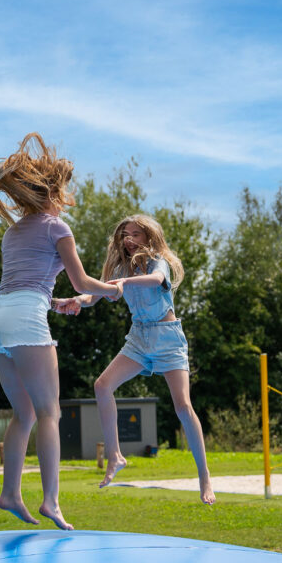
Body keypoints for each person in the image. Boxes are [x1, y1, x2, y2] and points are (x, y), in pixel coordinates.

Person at [0, 133, 123, 530]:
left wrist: (53, 302)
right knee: (49, 413)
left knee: (23, 413)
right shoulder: (57, 227)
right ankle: (52, 502)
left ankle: (9, 492)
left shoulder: (13, 232)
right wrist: (112, 290)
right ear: (53, 193)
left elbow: (28, 283)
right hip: (24, 317)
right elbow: (80, 281)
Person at [61, 214, 215, 504]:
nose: (128, 239)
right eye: (125, 235)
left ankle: (204, 476)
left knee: (183, 406)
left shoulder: (158, 262)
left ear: (148, 238)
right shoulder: (119, 268)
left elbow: (155, 280)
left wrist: (122, 281)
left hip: (167, 337)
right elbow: (94, 295)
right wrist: (76, 301)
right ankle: (115, 455)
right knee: (102, 385)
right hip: (139, 339)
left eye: (135, 234)